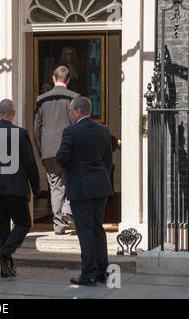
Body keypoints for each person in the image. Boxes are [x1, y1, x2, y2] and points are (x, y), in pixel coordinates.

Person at [0, 99, 41, 278]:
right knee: (24, 223)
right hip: (15, 187)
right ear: (13, 114)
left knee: (1, 227)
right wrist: (36, 188)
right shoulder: (20, 133)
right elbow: (30, 164)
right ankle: (4, 254)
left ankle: (5, 267)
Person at [56, 96, 113, 286]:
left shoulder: (71, 131)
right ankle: (102, 272)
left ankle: (88, 273)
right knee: (98, 229)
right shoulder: (104, 130)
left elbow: (62, 158)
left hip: (80, 188)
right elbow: (108, 162)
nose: (70, 114)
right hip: (100, 186)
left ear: (78, 111)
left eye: (71, 111)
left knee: (85, 231)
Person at [34, 65, 79, 235]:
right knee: (73, 180)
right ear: (68, 80)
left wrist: (41, 148)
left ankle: (59, 225)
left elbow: (36, 128)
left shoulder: (41, 99)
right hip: (69, 148)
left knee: (55, 186)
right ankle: (67, 209)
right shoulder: (75, 98)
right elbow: (77, 124)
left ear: (54, 79)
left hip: (49, 149)